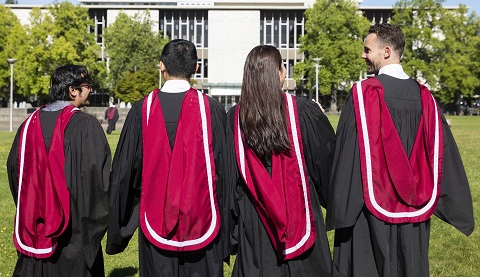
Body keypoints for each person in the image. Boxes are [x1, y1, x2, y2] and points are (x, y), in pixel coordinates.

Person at [327, 23, 474, 277]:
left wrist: (340, 208)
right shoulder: (426, 98)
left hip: (366, 215)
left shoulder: (362, 96)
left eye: (367, 49)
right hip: (413, 218)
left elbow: (346, 159)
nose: (363, 55)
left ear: (385, 52)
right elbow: (441, 156)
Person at [106, 39, 231, 276]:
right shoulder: (212, 109)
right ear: (196, 68)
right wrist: (228, 229)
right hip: (205, 219)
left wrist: (120, 228)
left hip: (155, 221)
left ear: (161, 66)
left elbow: (124, 174)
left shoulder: (142, 110)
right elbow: (225, 171)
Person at [226, 45, 335, 276]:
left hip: (254, 218)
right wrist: (329, 198)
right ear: (278, 73)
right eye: (283, 66)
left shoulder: (235, 118)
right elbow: (325, 165)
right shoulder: (304, 111)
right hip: (301, 210)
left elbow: (228, 177)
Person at [7, 65, 111, 277]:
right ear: (73, 90)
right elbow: (97, 180)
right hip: (74, 231)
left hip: (35, 226)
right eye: (87, 86)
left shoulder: (28, 124)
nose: (90, 90)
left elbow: (14, 171)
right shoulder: (85, 125)